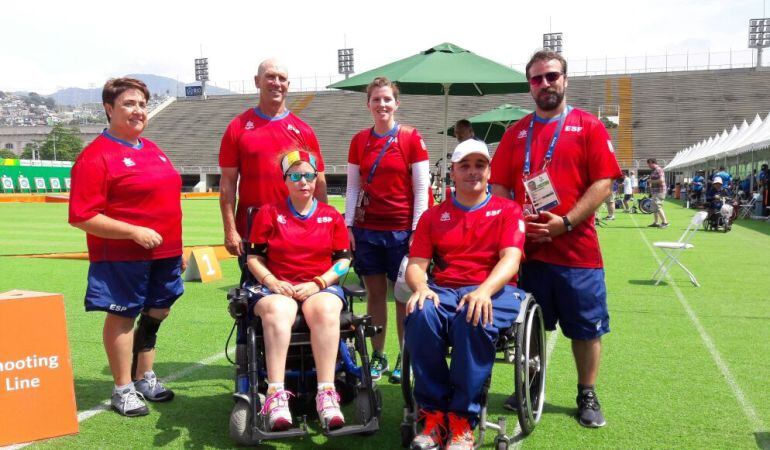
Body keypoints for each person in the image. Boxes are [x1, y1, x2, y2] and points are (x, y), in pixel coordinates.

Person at [490, 50, 622, 428]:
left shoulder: (589, 126)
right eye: (536, 79)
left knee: (585, 328)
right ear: (529, 85)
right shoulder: (515, 133)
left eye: (551, 76)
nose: (545, 84)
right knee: (527, 328)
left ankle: (587, 392)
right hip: (529, 253)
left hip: (577, 251)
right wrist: (514, 223)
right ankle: (528, 386)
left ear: (565, 79)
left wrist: (564, 222)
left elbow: (603, 182)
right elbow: (499, 186)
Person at [68, 77, 183, 417]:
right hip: (122, 255)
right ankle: (122, 388)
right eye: (129, 104)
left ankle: (144, 375)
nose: (138, 111)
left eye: (142, 105)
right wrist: (132, 231)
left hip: (165, 252)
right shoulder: (96, 156)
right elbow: (81, 215)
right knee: (122, 316)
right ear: (109, 109)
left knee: (159, 310)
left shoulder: (151, 148)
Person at [404, 139, 526, 450]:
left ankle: (460, 419)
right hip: (444, 290)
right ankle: (432, 415)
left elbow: (510, 259)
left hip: (494, 290)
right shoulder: (433, 216)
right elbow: (416, 265)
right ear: (453, 173)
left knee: (473, 317)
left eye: (479, 165)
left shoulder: (508, 210)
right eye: (465, 166)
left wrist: (484, 291)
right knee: (419, 314)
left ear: (489, 171)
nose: (473, 172)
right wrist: (421, 288)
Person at [245, 150, 352, 431]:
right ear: (285, 180)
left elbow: (343, 261)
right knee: (279, 310)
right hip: (278, 286)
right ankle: (276, 394)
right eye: (295, 175)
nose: (303, 181)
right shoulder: (268, 213)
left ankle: (327, 394)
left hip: (318, 286)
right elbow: (253, 258)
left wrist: (318, 283)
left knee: (327, 309)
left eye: (308, 175)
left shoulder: (331, 216)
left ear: (316, 179)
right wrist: (271, 282)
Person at [344, 76, 430, 383]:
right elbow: (353, 188)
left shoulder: (410, 137)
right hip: (368, 231)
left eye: (387, 99)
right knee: (375, 296)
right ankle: (378, 355)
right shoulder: (359, 141)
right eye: (376, 99)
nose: (382, 104)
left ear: (396, 103)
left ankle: (404, 356)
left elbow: (422, 188)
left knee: (404, 297)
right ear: (368, 104)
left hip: (402, 232)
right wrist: (348, 226)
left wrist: (418, 233)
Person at [219, 58, 327, 259]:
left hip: (296, 229)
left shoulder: (304, 131)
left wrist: (322, 227)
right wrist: (230, 230)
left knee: (295, 289)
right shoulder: (238, 127)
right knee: (255, 289)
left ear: (288, 85)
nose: (276, 82)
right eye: (270, 76)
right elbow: (227, 184)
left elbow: (319, 183)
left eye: (282, 78)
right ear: (257, 81)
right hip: (252, 231)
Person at [647, 158, 669, 228]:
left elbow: (661, 180)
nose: (648, 166)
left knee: (657, 206)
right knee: (654, 207)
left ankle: (665, 222)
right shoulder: (654, 171)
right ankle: (656, 222)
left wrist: (651, 181)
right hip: (655, 191)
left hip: (660, 191)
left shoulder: (658, 169)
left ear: (652, 163)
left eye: (649, 164)